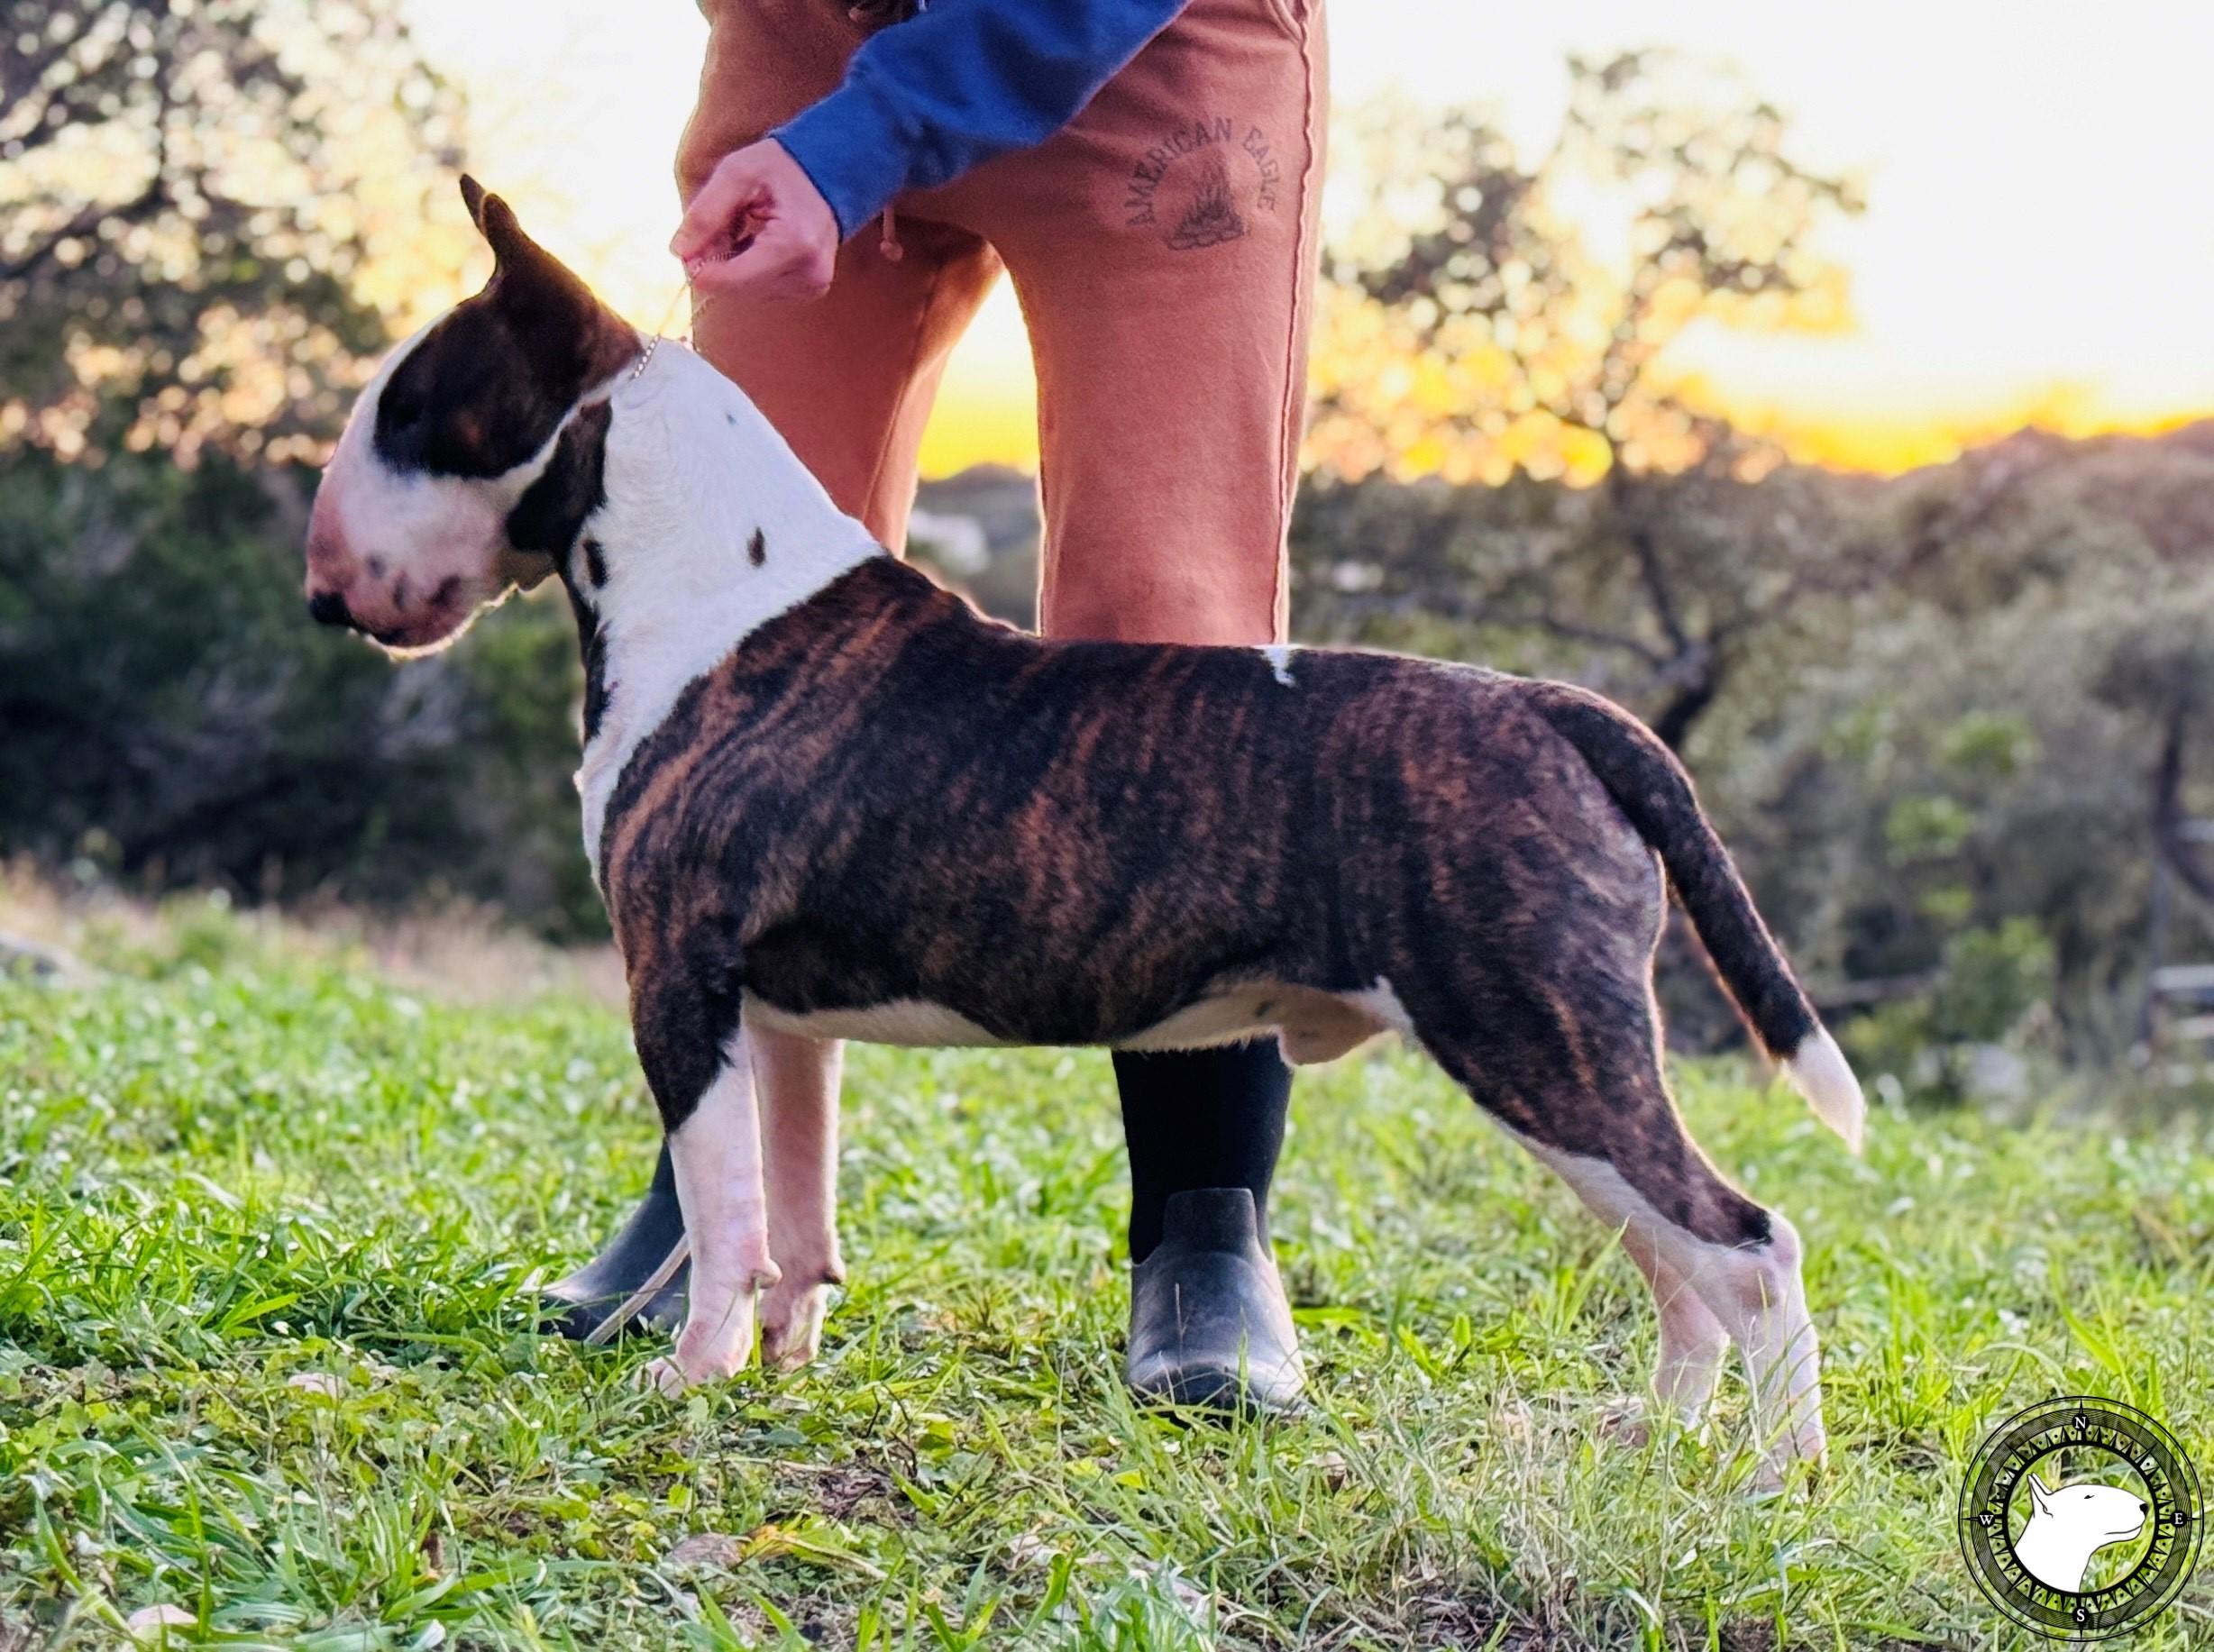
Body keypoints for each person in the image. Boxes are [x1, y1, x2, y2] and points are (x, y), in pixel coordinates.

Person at [544, 0, 1327, 1412]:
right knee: (734, 642)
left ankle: (1206, 1224)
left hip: (1153, 58)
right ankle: (718, 1200)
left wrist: (872, 137)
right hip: (809, 37)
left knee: (1170, 638)